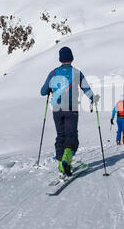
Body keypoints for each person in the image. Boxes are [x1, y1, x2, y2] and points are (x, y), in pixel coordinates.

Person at [41, 47, 98, 176]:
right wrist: (93, 99)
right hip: (71, 109)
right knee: (71, 136)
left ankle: (62, 165)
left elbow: (43, 91)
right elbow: (86, 89)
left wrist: (51, 88)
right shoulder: (77, 72)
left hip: (56, 110)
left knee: (60, 136)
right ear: (72, 58)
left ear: (60, 59)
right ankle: (67, 160)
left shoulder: (53, 73)